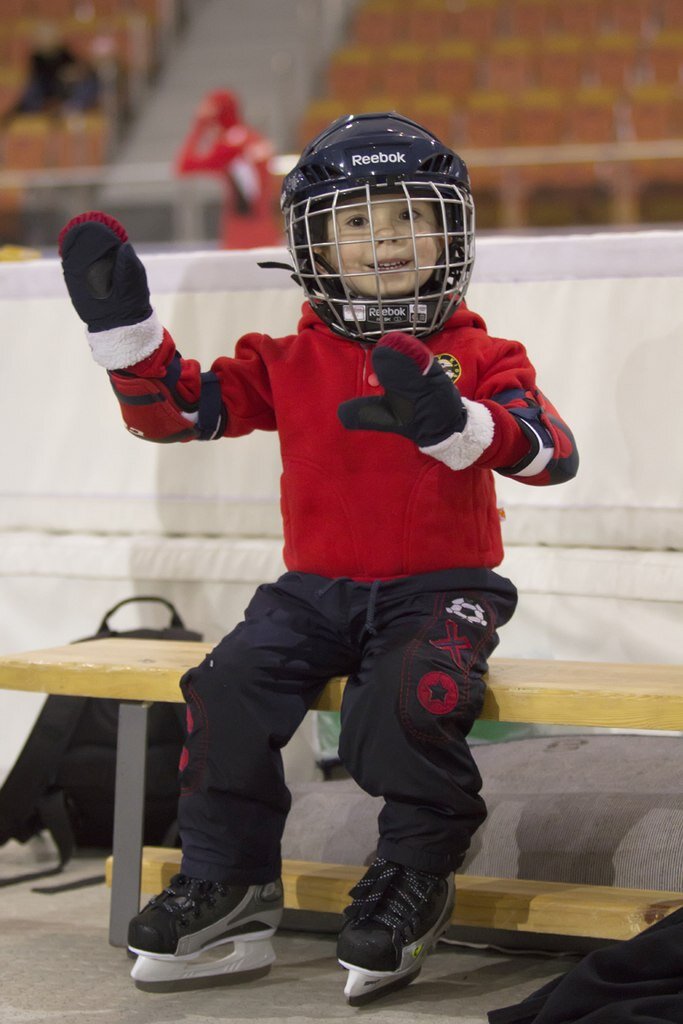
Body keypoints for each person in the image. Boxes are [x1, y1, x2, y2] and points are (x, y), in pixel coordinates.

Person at [58, 111, 578, 1005]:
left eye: (408, 217)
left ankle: (414, 873)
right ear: (313, 245)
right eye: (355, 223)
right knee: (224, 685)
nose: (384, 240)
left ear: (450, 232)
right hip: (311, 591)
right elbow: (176, 412)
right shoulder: (286, 355)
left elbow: (552, 453)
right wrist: (126, 328)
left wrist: (462, 426)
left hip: (443, 587)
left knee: (404, 699)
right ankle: (228, 877)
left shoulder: (484, 354)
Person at [174, 89, 281, 249]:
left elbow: (184, 166)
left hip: (242, 235)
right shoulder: (253, 138)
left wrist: (199, 125)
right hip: (266, 230)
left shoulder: (230, 146)